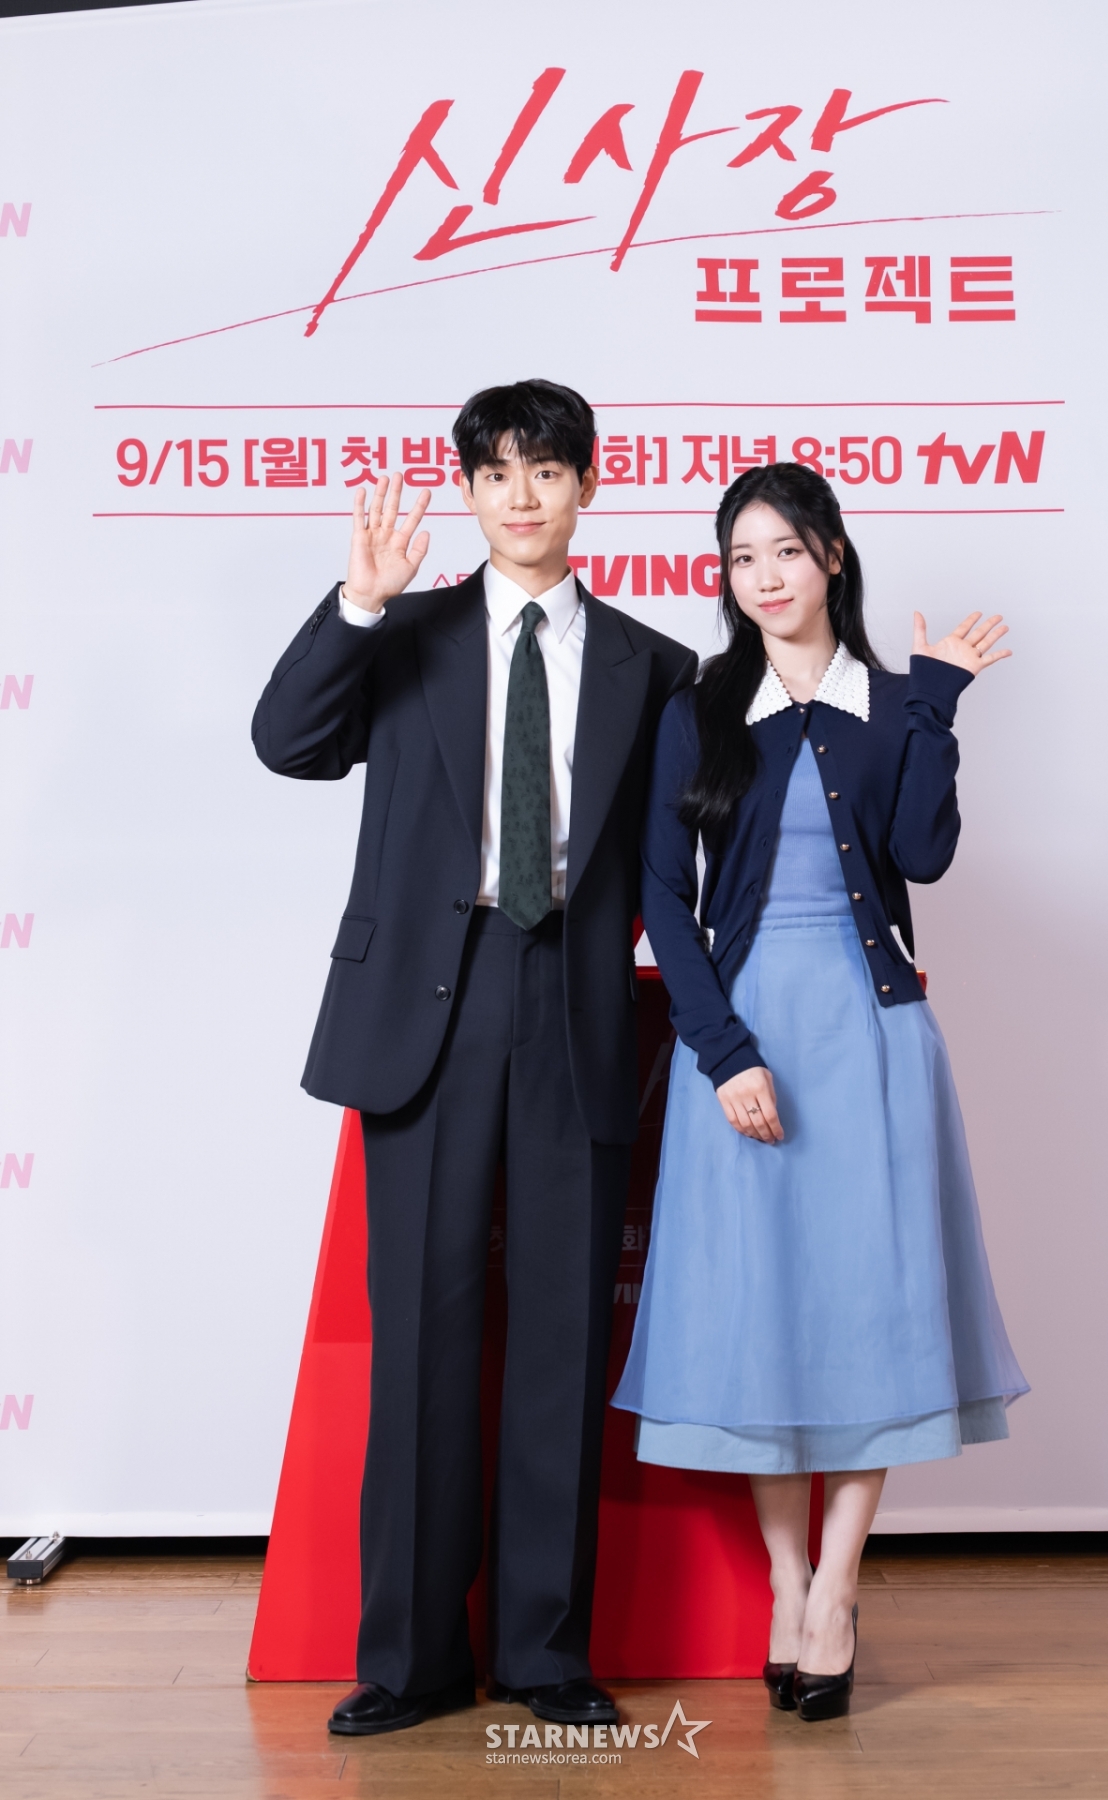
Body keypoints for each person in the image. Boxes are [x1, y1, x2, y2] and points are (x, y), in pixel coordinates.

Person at [252, 380, 696, 1736]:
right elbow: (287, 744)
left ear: (588, 486)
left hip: (575, 1003)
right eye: (497, 473)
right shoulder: (407, 634)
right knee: (423, 1341)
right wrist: (358, 604)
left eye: (547, 471)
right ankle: (411, 1663)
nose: (521, 496)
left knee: (562, 1337)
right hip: (426, 1015)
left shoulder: (655, 665)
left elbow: (680, 862)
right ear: (467, 491)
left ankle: (545, 1653)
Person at [613, 461, 1028, 1722]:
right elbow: (662, 895)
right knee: (765, 1312)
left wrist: (937, 704)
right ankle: (786, 1584)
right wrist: (723, 1051)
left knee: (867, 1310)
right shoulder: (698, 708)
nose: (765, 578)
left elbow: (921, 856)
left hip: (872, 1034)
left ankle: (837, 1590)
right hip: (746, 1037)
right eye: (742, 558)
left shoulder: (893, 703)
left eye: (786, 551)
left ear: (833, 556)